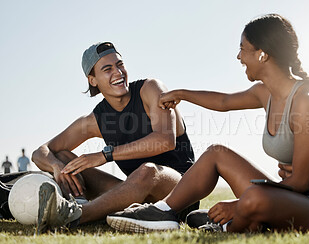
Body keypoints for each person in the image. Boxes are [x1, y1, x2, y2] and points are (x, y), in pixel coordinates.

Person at [106, 14, 309, 233]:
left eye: (243, 48)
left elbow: (299, 183)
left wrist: (239, 204)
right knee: (216, 153)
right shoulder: (264, 93)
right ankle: (162, 212)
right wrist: (182, 94)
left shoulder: (307, 102)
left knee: (255, 197)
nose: (238, 56)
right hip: (288, 197)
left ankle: (234, 222)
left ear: (262, 53)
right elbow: (223, 101)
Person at [32, 42, 198, 233]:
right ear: (93, 80)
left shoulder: (151, 89)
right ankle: (80, 203)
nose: (118, 72)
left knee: (147, 171)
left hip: (181, 194)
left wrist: (105, 155)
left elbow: (165, 140)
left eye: (120, 65)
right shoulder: (97, 119)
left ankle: (75, 215)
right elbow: (40, 152)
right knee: (63, 157)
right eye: (108, 69)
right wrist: (56, 167)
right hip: (135, 191)